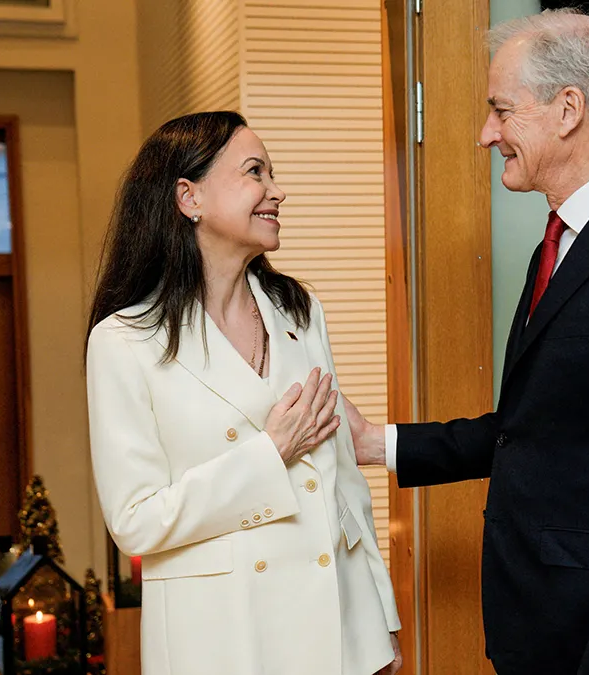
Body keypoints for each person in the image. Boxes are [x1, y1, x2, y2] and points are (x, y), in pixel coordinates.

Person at [346, 8, 589, 675]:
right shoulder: (558, 247)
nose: (485, 134)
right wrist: (377, 444)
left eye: (502, 111)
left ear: (568, 110)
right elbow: (534, 428)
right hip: (545, 634)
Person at [85, 111, 402, 675]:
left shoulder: (300, 311)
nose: (276, 191)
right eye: (255, 172)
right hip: (222, 641)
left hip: (337, 635)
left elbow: (344, 482)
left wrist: (377, 625)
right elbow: (134, 519)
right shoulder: (122, 341)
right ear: (190, 197)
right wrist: (268, 454)